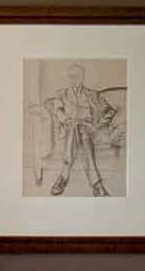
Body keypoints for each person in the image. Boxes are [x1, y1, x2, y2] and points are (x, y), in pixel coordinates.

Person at [45, 64, 115, 196]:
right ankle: (97, 184)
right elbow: (58, 110)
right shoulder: (61, 94)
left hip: (89, 129)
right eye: (70, 76)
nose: (73, 79)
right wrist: (66, 120)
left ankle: (64, 176)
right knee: (75, 128)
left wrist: (99, 124)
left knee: (80, 129)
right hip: (69, 127)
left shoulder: (93, 95)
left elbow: (110, 111)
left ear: (82, 78)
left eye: (76, 76)